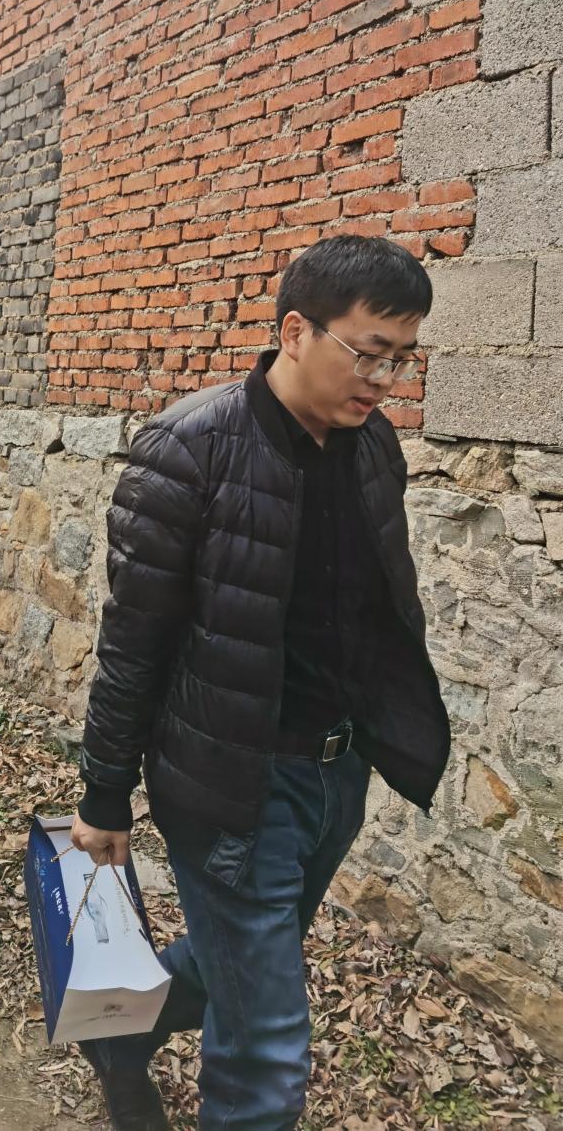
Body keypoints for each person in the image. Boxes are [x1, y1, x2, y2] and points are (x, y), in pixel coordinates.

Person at [69, 235, 451, 1131]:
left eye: (402, 358)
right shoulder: (188, 449)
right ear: (294, 331)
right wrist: (105, 792)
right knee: (267, 1052)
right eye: (368, 353)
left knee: (234, 960)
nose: (384, 380)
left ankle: (119, 1035)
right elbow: (133, 641)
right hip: (232, 783)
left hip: (335, 776)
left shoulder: (373, 445)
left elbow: (376, 609)